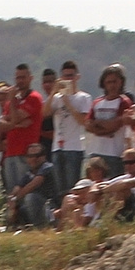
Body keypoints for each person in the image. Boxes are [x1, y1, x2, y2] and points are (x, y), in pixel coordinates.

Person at [0, 64, 46, 198]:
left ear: (30, 78)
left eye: (23, 77)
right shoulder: (11, 101)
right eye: (17, 78)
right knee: (11, 193)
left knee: (25, 193)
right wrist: (17, 123)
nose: (20, 81)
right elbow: (2, 124)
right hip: (10, 153)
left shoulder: (34, 98)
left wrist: (13, 119)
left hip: (26, 153)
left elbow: (13, 118)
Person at [48, 61, 93, 196]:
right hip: (57, 148)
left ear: (77, 77)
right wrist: (53, 92)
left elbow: (83, 121)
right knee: (59, 189)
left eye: (71, 76)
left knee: (72, 188)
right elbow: (44, 113)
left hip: (74, 148)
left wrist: (68, 103)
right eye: (65, 76)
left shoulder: (84, 97)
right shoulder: (56, 98)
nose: (68, 79)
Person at [83, 64, 132, 178]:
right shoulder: (97, 102)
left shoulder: (124, 102)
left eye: (114, 82)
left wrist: (98, 123)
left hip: (114, 154)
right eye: (109, 82)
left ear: (121, 82)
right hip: (95, 152)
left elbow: (114, 126)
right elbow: (87, 125)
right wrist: (103, 126)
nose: (112, 85)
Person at [5, 144, 59, 227]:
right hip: (35, 206)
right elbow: (18, 187)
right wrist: (12, 200)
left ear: (44, 156)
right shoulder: (29, 172)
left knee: (30, 198)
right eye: (30, 156)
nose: (33, 159)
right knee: (17, 207)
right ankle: (18, 227)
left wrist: (16, 199)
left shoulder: (48, 167)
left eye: (37, 155)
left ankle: (41, 227)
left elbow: (34, 184)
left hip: (49, 205)